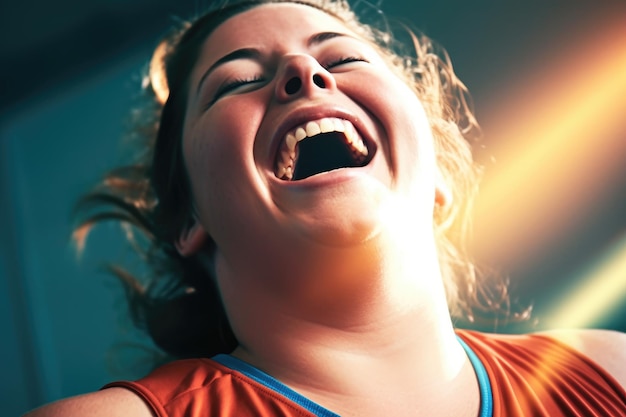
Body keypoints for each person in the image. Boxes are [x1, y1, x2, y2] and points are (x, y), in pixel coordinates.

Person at [23, 0, 626, 416]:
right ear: (188, 220)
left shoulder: (613, 372)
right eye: (235, 82)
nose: (302, 71)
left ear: (438, 168)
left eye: (343, 60)